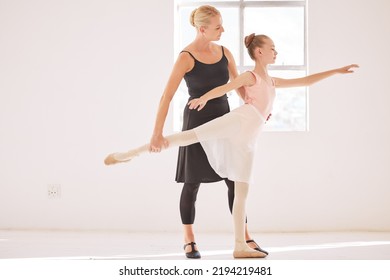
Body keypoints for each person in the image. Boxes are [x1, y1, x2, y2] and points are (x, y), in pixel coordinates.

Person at [104, 33, 358, 258]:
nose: (275, 51)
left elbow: (305, 81)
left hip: (249, 136)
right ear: (259, 52)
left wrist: (335, 71)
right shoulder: (251, 76)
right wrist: (203, 98)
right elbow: (226, 87)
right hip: (239, 121)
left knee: (241, 190)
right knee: (191, 135)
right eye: (272, 48)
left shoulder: (271, 81)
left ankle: (240, 245)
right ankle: (130, 153)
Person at [146, 5, 263, 259]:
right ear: (202, 29)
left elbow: (239, 88)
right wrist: (157, 133)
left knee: (235, 180)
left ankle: (244, 235)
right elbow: (166, 97)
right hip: (197, 122)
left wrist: (255, 111)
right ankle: (188, 238)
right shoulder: (186, 57)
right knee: (192, 182)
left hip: (225, 119)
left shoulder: (225, 53)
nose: (223, 30)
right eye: (218, 26)